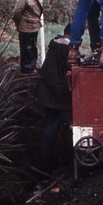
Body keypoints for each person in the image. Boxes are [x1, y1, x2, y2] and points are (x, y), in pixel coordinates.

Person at [37, 26, 72, 171]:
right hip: (61, 98)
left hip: (47, 96)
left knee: (49, 132)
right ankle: (77, 164)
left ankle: (44, 169)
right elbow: (72, 68)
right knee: (76, 129)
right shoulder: (67, 49)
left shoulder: (53, 47)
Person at [12, 0, 43, 73]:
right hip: (26, 27)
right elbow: (16, 12)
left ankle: (31, 68)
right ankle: (26, 70)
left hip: (34, 26)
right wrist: (17, 24)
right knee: (26, 49)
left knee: (33, 48)